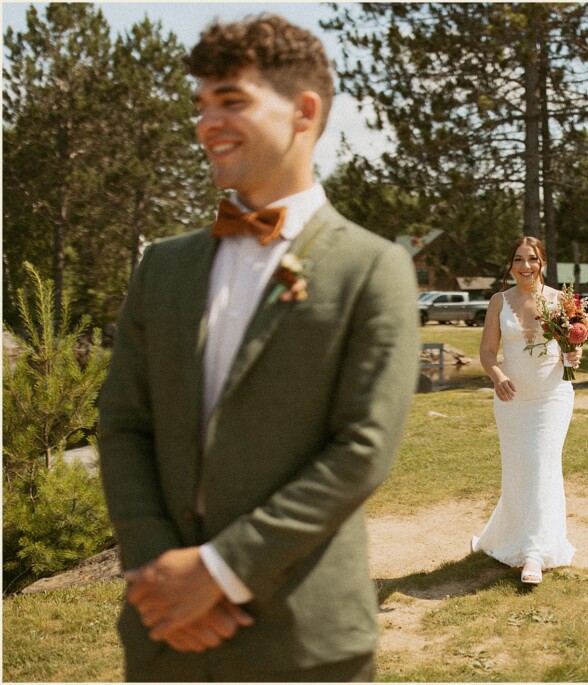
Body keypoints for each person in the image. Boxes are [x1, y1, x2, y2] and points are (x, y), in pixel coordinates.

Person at [97, 14, 419, 682]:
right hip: (165, 637)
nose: (205, 123)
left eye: (231, 101)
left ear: (304, 111)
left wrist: (220, 570)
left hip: (303, 642)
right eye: (201, 106)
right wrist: (160, 570)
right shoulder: (162, 267)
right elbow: (124, 423)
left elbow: (362, 447)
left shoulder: (373, 268)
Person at [472, 237, 580, 585]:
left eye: (531, 259)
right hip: (512, 399)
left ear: (542, 263)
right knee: (520, 469)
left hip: (552, 397)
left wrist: (574, 356)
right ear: (510, 265)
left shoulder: (562, 301)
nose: (525, 266)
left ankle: (534, 553)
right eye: (518, 260)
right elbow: (488, 352)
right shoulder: (498, 302)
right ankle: (505, 537)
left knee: (541, 464)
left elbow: (571, 348)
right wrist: (498, 375)